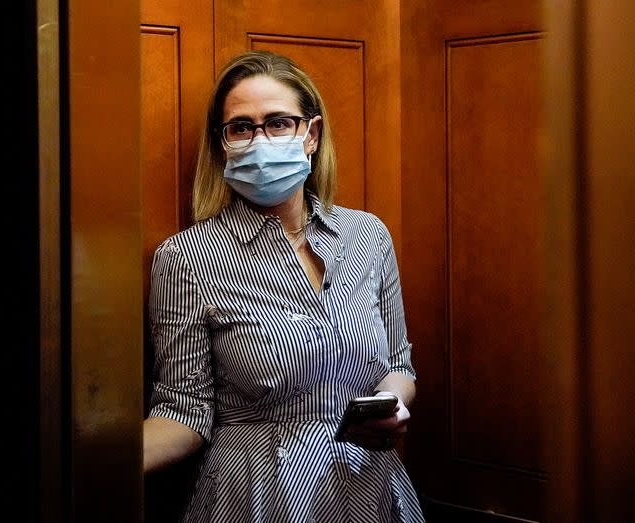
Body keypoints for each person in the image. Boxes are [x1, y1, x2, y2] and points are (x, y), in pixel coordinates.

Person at [143, 50, 425, 522]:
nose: (259, 140)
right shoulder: (186, 258)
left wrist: (393, 403)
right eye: (241, 127)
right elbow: (183, 410)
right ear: (224, 144)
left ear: (310, 135)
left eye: (277, 123)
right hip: (255, 494)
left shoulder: (368, 236)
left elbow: (399, 365)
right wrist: (83, 463)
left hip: (369, 488)